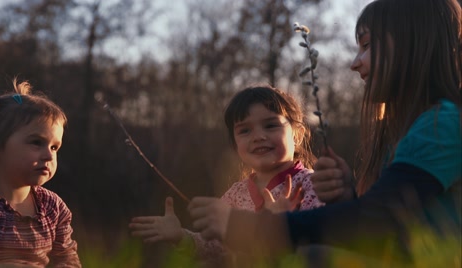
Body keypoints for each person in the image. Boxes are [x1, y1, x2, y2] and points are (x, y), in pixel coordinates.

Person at [187, 0, 462, 265]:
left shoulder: (442, 125)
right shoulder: (416, 130)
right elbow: (390, 227)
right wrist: (348, 197)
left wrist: (254, 228)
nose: (355, 63)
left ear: (412, 45)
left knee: (310, 257)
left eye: (367, 46)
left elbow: (380, 218)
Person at [129, 85, 324, 266]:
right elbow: (216, 249)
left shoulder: (313, 185)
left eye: (271, 125)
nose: (258, 136)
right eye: (245, 130)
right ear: (235, 144)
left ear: (297, 134)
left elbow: (322, 245)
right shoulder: (235, 194)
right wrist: (182, 237)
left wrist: (280, 226)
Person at [0, 80, 81, 267]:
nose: (48, 155)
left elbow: (67, 258)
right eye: (36, 142)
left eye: (54, 147)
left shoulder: (54, 208)